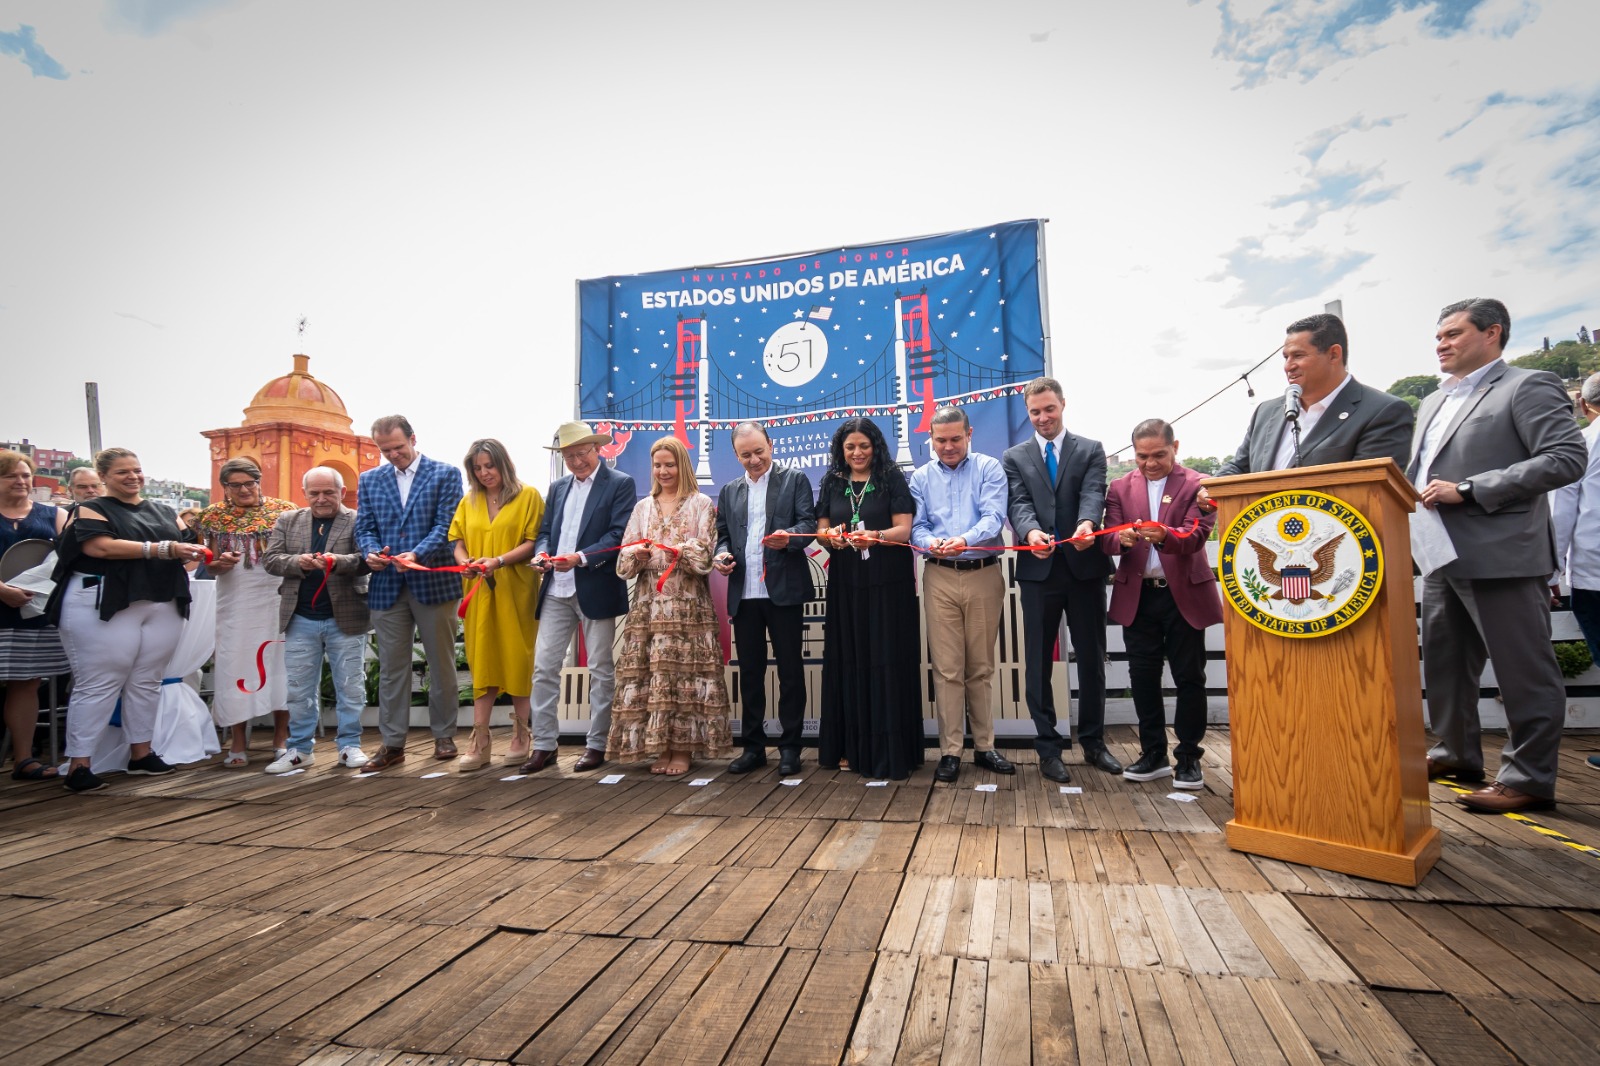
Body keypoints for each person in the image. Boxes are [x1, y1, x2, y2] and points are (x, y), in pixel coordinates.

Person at [1411, 298, 1585, 813]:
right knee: (1444, 667)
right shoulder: (1431, 402)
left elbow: (1565, 458)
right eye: (1438, 335)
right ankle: (1456, 753)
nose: (1441, 343)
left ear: (1493, 333)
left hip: (1503, 554)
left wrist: (1469, 488)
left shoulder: (1527, 385)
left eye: (1452, 334)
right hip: (1440, 554)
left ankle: (1529, 777)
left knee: (1522, 671)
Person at [48, 448, 207, 792]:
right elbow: (99, 548)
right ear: (103, 476)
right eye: (123, 472)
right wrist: (162, 549)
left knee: (147, 679)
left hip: (161, 600)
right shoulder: (89, 508)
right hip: (106, 601)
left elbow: (191, 548)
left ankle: (141, 753)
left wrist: (213, 558)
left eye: (136, 470)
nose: (133, 477)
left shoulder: (164, 510)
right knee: (99, 681)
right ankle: (79, 763)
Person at [1002, 377, 1119, 784]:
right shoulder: (1014, 456)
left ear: (1063, 405)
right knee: (1037, 661)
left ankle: (1094, 743)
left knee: (1091, 660)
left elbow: (1094, 492)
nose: (1043, 417)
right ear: (1028, 413)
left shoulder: (1090, 449)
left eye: (1049, 409)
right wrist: (1031, 532)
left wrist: (1088, 523)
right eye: (1035, 412)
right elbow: (1017, 502)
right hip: (1038, 571)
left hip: (1084, 569)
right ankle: (1048, 747)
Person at [1102, 420, 1222, 789]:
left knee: (1189, 676)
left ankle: (1188, 757)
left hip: (1181, 593)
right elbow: (1107, 540)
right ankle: (1152, 752)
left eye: (1158, 455)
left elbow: (1197, 535)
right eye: (1142, 456)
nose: (1150, 463)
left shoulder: (1198, 484)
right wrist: (1121, 539)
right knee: (1143, 678)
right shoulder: (1120, 486)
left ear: (1175, 448)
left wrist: (1167, 535)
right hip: (1139, 596)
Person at [609, 436, 732, 774]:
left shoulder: (701, 504)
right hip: (649, 604)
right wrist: (638, 554)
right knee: (654, 675)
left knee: (685, 674)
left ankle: (683, 749)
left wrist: (680, 550)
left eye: (670, 464)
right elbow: (623, 559)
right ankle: (660, 747)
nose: (663, 471)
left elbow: (705, 553)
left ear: (683, 465)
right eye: (658, 465)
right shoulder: (642, 507)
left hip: (687, 604)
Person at [521, 421, 635, 775]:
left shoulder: (620, 483)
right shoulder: (556, 489)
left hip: (594, 585)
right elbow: (543, 533)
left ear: (596, 449)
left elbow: (619, 535)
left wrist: (581, 557)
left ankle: (597, 743)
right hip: (555, 588)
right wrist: (542, 555)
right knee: (544, 668)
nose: (576, 461)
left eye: (581, 453)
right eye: (569, 456)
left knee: (600, 668)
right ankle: (543, 745)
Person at [815, 418, 924, 780]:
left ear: (875, 446)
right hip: (846, 582)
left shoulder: (891, 476)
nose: (857, 453)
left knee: (886, 658)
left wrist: (875, 535)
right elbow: (821, 529)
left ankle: (890, 749)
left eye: (864, 446)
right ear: (841, 451)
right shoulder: (832, 480)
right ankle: (851, 746)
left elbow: (904, 529)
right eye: (850, 447)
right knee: (850, 658)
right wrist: (830, 536)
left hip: (888, 583)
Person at [910, 409, 1015, 783]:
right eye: (941, 440)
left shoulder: (989, 468)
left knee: (981, 668)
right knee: (947, 669)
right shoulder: (920, 477)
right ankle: (951, 751)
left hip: (983, 574)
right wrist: (930, 542)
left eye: (956, 439)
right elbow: (916, 526)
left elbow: (994, 518)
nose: (949, 447)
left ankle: (985, 747)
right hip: (939, 575)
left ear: (969, 434)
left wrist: (964, 540)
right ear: (931, 440)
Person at [356, 415, 465, 770]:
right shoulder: (369, 480)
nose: (393, 455)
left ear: (413, 439)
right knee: (391, 669)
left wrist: (416, 555)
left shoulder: (445, 473)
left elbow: (446, 525)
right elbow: (365, 527)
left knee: (442, 664)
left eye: (399, 448)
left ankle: (445, 735)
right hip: (387, 585)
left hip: (433, 581)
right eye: (385, 450)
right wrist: (370, 553)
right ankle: (392, 744)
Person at [713, 422, 818, 777]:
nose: (754, 459)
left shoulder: (795, 479)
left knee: (791, 672)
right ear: (736, 455)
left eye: (759, 451)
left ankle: (790, 747)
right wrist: (722, 556)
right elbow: (722, 536)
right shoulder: (729, 491)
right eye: (746, 454)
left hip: (784, 592)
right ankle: (753, 747)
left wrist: (788, 537)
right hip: (744, 595)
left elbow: (808, 526)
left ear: (771, 445)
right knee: (751, 674)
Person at [261, 467, 372, 773]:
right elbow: (270, 560)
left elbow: (367, 559)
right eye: (314, 493)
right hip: (300, 616)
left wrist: (336, 562)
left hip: (346, 616)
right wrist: (298, 562)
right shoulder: (288, 520)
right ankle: (300, 749)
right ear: (305, 493)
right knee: (298, 688)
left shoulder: (359, 519)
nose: (321, 499)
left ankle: (350, 746)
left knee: (351, 685)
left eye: (329, 493)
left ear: (342, 493)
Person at [1212, 313, 1414, 479]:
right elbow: (1239, 466)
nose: (1288, 366)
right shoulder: (1266, 412)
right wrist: (1211, 488)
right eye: (1286, 357)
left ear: (1334, 354)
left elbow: (1369, 489)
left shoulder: (1383, 412)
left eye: (1298, 356)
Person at [192, 458, 295, 767]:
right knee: (233, 661)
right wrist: (217, 564)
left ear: (259, 481)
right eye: (235, 485)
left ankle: (281, 737)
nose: (244, 490)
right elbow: (207, 562)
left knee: (280, 661)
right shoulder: (211, 516)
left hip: (275, 593)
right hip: (234, 595)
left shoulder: (284, 511)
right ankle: (237, 740)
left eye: (249, 483)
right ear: (225, 488)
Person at [449, 439, 544, 771]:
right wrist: (467, 562)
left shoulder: (528, 496)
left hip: (515, 589)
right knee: (482, 658)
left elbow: (534, 542)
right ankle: (480, 739)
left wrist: (500, 560)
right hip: (478, 589)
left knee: (518, 657)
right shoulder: (469, 499)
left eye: (490, 465)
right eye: (478, 467)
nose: (484, 472)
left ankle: (521, 734)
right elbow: (456, 542)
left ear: (504, 464)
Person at [0, 450, 68, 781]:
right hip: (3, 606)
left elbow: (70, 555)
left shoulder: (53, 514)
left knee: (26, 684)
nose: (21, 481)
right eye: (11, 475)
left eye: (26, 475)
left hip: (34, 613)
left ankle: (24, 759)